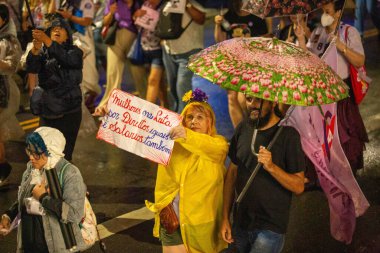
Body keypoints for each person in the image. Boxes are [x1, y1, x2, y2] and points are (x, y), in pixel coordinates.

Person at [146, 88, 228, 252]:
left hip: (201, 224)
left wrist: (187, 136)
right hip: (172, 218)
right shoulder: (172, 144)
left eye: (200, 117)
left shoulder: (218, 145)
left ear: (209, 122)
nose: (193, 121)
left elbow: (205, 145)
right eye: (189, 117)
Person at [221, 95, 305, 253]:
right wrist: (225, 218)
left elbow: (299, 186)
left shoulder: (288, 135)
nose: (252, 105)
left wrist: (272, 167)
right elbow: (232, 175)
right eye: (248, 99)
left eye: (258, 100)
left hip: (270, 229)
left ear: (273, 101)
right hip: (240, 223)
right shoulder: (243, 128)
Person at [296, 0, 369, 175]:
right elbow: (307, 59)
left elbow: (360, 61)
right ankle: (325, 173)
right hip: (321, 95)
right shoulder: (318, 32)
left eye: (328, 11)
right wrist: (300, 38)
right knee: (320, 138)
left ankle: (345, 174)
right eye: (323, 11)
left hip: (341, 96)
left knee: (344, 137)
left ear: (338, 13)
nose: (324, 15)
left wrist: (341, 46)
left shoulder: (349, 32)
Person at [0, 127, 88, 253]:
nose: (31, 157)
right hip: (29, 245)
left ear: (51, 151)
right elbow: (25, 197)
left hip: (56, 246)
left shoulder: (69, 173)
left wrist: (43, 198)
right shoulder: (32, 168)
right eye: (29, 151)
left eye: (36, 153)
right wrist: (9, 215)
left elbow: (74, 214)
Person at [26, 16, 83, 161]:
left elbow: (67, 60)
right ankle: (47, 184)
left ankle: (63, 183)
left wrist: (47, 41)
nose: (57, 29)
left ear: (67, 35)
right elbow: (31, 68)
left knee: (63, 155)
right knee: (44, 155)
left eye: (61, 28)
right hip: (48, 111)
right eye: (53, 28)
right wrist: (35, 50)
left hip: (69, 113)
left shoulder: (75, 52)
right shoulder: (43, 53)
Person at [214, 0, 271, 128]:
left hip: (254, 62)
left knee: (244, 98)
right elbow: (220, 40)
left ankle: (251, 128)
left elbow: (266, 38)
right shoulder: (229, 15)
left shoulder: (257, 15)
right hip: (234, 62)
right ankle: (239, 134)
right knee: (231, 98)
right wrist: (217, 25)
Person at [95, 0, 147, 112]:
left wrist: (140, 15)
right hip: (116, 37)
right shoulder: (113, 2)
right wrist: (111, 13)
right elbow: (105, 22)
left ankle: (147, 105)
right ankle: (108, 106)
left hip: (134, 39)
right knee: (113, 72)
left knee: (138, 72)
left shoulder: (139, 2)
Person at [161, 0, 206, 113]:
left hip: (189, 50)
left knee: (182, 86)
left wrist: (186, 4)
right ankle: (174, 116)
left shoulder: (194, 3)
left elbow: (201, 19)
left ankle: (184, 119)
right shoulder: (167, 2)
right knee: (172, 88)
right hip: (169, 49)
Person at [0, 4, 23, 187]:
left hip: (2, 89)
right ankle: (2, 166)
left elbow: (13, 65)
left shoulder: (9, 40)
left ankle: (3, 167)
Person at [133, 0, 168, 107]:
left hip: (158, 49)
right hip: (144, 48)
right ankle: (165, 104)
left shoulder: (165, 6)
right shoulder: (146, 4)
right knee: (159, 82)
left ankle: (147, 113)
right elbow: (138, 24)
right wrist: (136, 16)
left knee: (152, 80)